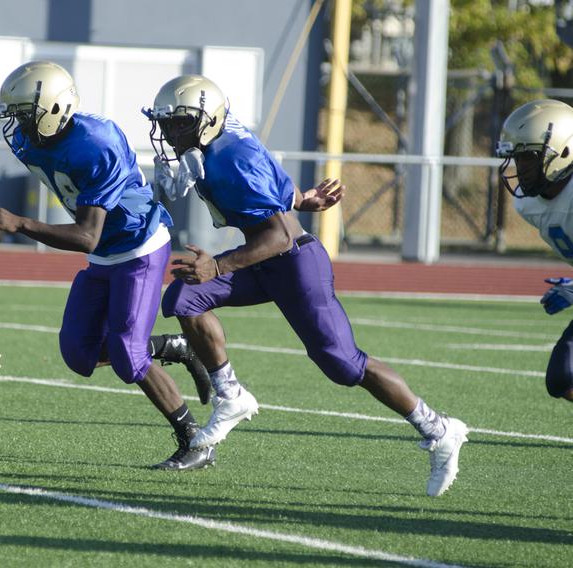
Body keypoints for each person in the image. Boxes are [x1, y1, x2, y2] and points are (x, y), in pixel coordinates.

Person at [143, 74, 469, 496]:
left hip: (295, 263)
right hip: (264, 258)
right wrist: (301, 198)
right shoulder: (223, 137)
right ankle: (231, 395)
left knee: (342, 363)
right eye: (166, 124)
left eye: (179, 123)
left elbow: (278, 236)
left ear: (207, 120)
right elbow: (272, 180)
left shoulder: (231, 157)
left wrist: (218, 266)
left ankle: (439, 429)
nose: (170, 134)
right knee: (185, 298)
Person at [0, 61, 213, 469]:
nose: (18, 124)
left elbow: (86, 234)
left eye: (25, 113)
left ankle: (195, 440)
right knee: (78, 352)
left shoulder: (96, 142)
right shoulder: (31, 139)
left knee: (128, 356)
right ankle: (170, 346)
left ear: (55, 110)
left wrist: (20, 223)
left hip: (137, 245)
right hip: (104, 252)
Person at [496, 98, 573, 402]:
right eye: (517, 159)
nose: (520, 169)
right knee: (563, 377)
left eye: (528, 158)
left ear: (565, 151)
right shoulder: (528, 204)